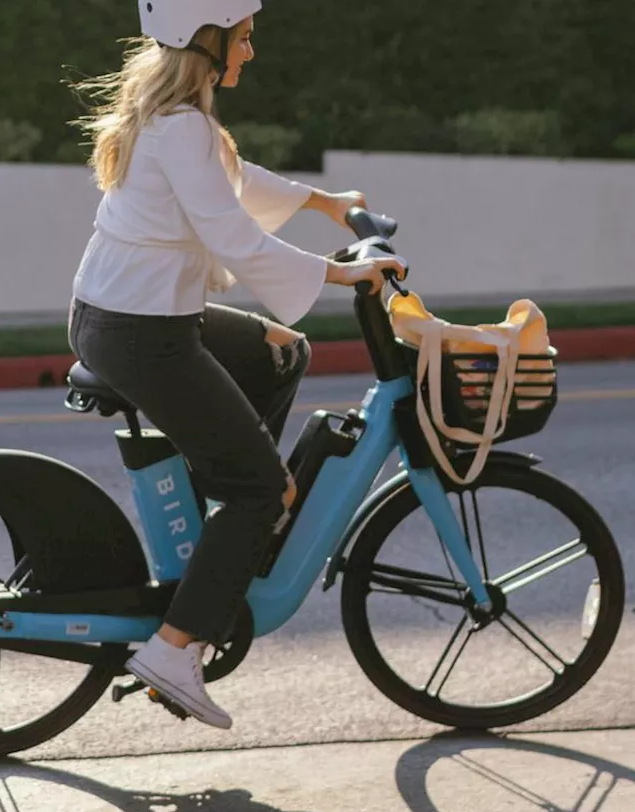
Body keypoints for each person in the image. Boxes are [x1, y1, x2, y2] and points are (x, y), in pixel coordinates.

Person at [66, 0, 407, 730]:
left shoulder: (173, 117)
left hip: (128, 318)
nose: (251, 53)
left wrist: (327, 202)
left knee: (282, 350)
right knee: (263, 491)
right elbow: (230, 233)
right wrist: (345, 275)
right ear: (208, 41)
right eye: (244, 39)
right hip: (142, 334)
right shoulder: (182, 125)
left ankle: (220, 529)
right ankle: (173, 645)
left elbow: (229, 181)